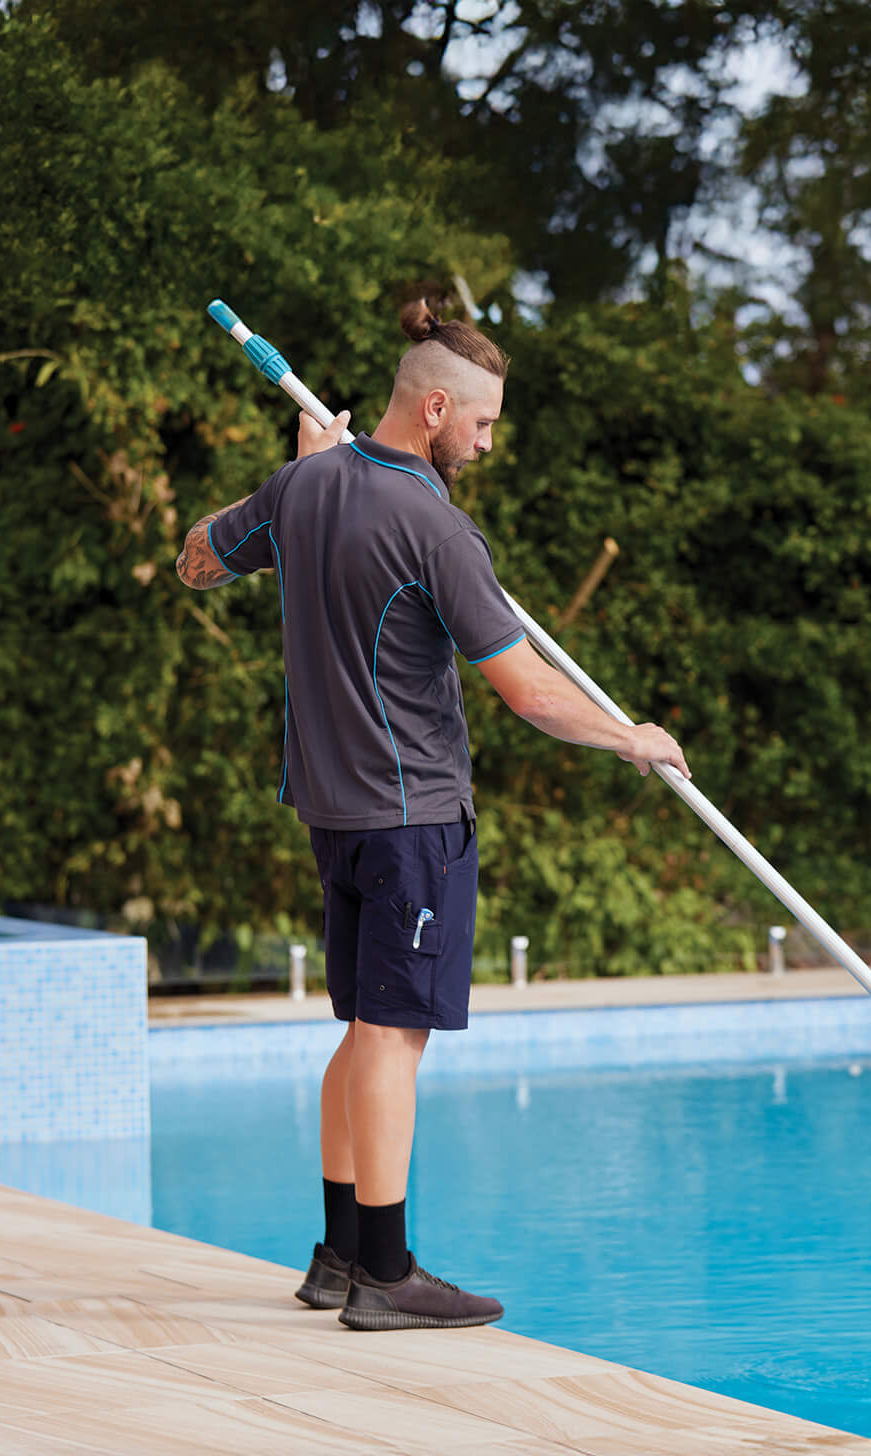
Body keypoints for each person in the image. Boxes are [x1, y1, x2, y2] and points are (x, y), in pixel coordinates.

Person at [175, 297, 689, 1331]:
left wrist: (300, 466)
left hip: (334, 810)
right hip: (413, 821)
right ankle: (388, 1271)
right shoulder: (438, 528)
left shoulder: (303, 484)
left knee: (366, 1030)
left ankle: (335, 1256)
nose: (489, 444)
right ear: (439, 407)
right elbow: (531, 693)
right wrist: (629, 734)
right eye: (486, 424)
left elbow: (195, 558)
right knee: (392, 1034)